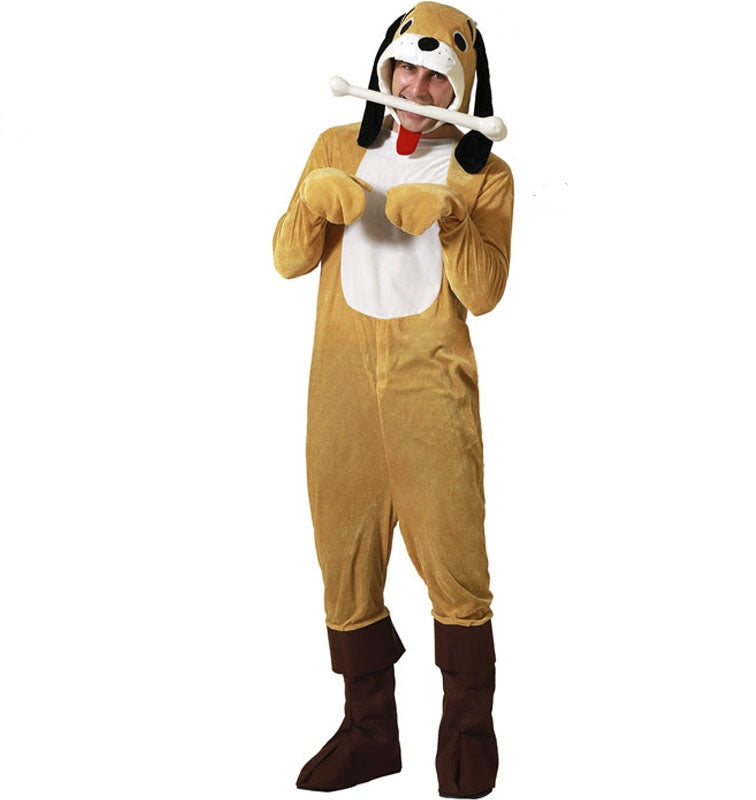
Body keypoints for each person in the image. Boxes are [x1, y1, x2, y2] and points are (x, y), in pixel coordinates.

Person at [272, 3, 513, 797]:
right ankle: (369, 729)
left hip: (430, 387)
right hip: (340, 385)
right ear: (384, 68)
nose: (416, 89)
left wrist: (451, 221)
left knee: (455, 554)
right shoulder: (337, 147)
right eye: (405, 69)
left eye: (437, 77)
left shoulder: (485, 173)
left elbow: (485, 294)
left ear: (463, 87)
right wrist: (314, 201)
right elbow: (287, 260)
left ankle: (468, 726)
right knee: (343, 550)